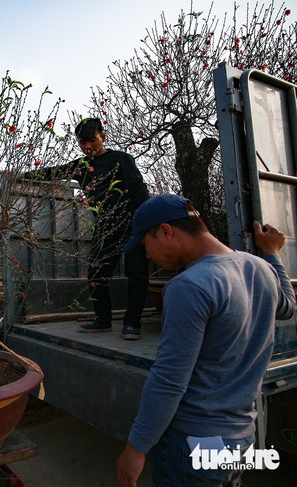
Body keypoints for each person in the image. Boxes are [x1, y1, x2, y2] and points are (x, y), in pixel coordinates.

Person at [115, 194, 296, 487]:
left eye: (144, 245)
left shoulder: (189, 286)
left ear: (165, 231)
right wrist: (272, 254)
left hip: (197, 441)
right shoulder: (260, 269)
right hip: (241, 437)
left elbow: (170, 380)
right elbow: (288, 306)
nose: (146, 256)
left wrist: (136, 448)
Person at [30, 117, 150, 339]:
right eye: (82, 143)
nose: (87, 147)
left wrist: (145, 225)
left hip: (133, 225)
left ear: (102, 137)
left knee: (138, 275)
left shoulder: (121, 160)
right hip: (105, 227)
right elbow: (53, 173)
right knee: (96, 274)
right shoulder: (81, 166)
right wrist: (21, 175)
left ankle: (132, 324)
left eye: (92, 141)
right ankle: (103, 320)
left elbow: (140, 191)